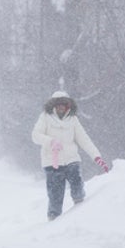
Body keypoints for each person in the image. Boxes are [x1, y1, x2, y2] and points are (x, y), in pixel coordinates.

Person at [31, 91, 109, 221]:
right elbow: (35, 135)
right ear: (53, 105)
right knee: (55, 195)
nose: (61, 107)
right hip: (52, 162)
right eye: (58, 104)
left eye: (64, 104)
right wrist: (50, 141)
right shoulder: (45, 117)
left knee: (77, 186)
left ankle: (81, 214)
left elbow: (84, 139)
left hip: (72, 159)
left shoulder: (73, 119)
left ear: (68, 105)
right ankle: (53, 221)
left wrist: (97, 157)